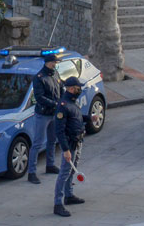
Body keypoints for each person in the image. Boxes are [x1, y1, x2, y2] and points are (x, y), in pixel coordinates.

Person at [53, 76, 86, 218]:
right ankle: (58, 204)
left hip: (77, 141)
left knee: (72, 171)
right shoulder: (63, 105)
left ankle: (69, 195)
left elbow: (76, 117)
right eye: (78, 88)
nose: (80, 90)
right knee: (64, 173)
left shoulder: (72, 102)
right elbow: (59, 130)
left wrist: (90, 118)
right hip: (70, 144)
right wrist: (65, 150)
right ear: (71, 89)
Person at [27, 53, 62, 184]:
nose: (56, 64)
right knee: (37, 143)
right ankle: (31, 172)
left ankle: (50, 165)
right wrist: (55, 104)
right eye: (54, 62)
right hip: (43, 114)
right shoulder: (39, 78)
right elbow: (40, 97)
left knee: (52, 140)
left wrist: (62, 102)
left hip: (54, 113)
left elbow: (61, 88)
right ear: (48, 62)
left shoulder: (55, 74)